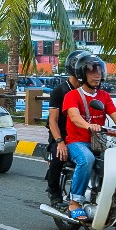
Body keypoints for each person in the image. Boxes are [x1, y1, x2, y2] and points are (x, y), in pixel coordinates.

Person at [61, 55, 116, 220]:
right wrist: (88, 125)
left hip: (100, 142)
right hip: (77, 142)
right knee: (86, 159)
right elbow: (74, 117)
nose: (97, 75)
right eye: (92, 71)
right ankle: (75, 202)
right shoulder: (72, 96)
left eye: (100, 71)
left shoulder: (104, 96)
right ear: (82, 74)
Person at [43, 59, 85, 206]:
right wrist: (59, 141)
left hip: (81, 135)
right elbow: (52, 121)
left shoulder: (87, 90)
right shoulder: (59, 91)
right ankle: (53, 189)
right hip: (60, 134)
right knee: (59, 154)